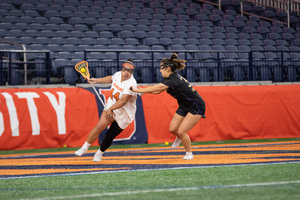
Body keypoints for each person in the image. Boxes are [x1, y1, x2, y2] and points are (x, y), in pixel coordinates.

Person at [131, 53, 206, 160]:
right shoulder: (169, 79)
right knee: (172, 129)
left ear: (167, 68)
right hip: (184, 105)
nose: (160, 71)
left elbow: (157, 87)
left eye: (161, 68)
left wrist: (137, 90)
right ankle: (180, 138)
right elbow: (157, 91)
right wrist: (143, 92)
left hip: (196, 106)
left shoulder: (173, 80)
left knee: (181, 131)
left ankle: (189, 153)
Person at [75, 59, 137, 161]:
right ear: (121, 70)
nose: (126, 73)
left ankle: (99, 153)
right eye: (125, 70)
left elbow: (124, 101)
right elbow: (111, 79)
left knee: (109, 135)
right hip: (112, 104)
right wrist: (96, 80)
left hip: (124, 113)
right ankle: (84, 148)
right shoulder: (117, 74)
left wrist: (111, 109)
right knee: (99, 126)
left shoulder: (131, 83)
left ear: (132, 73)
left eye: (129, 71)